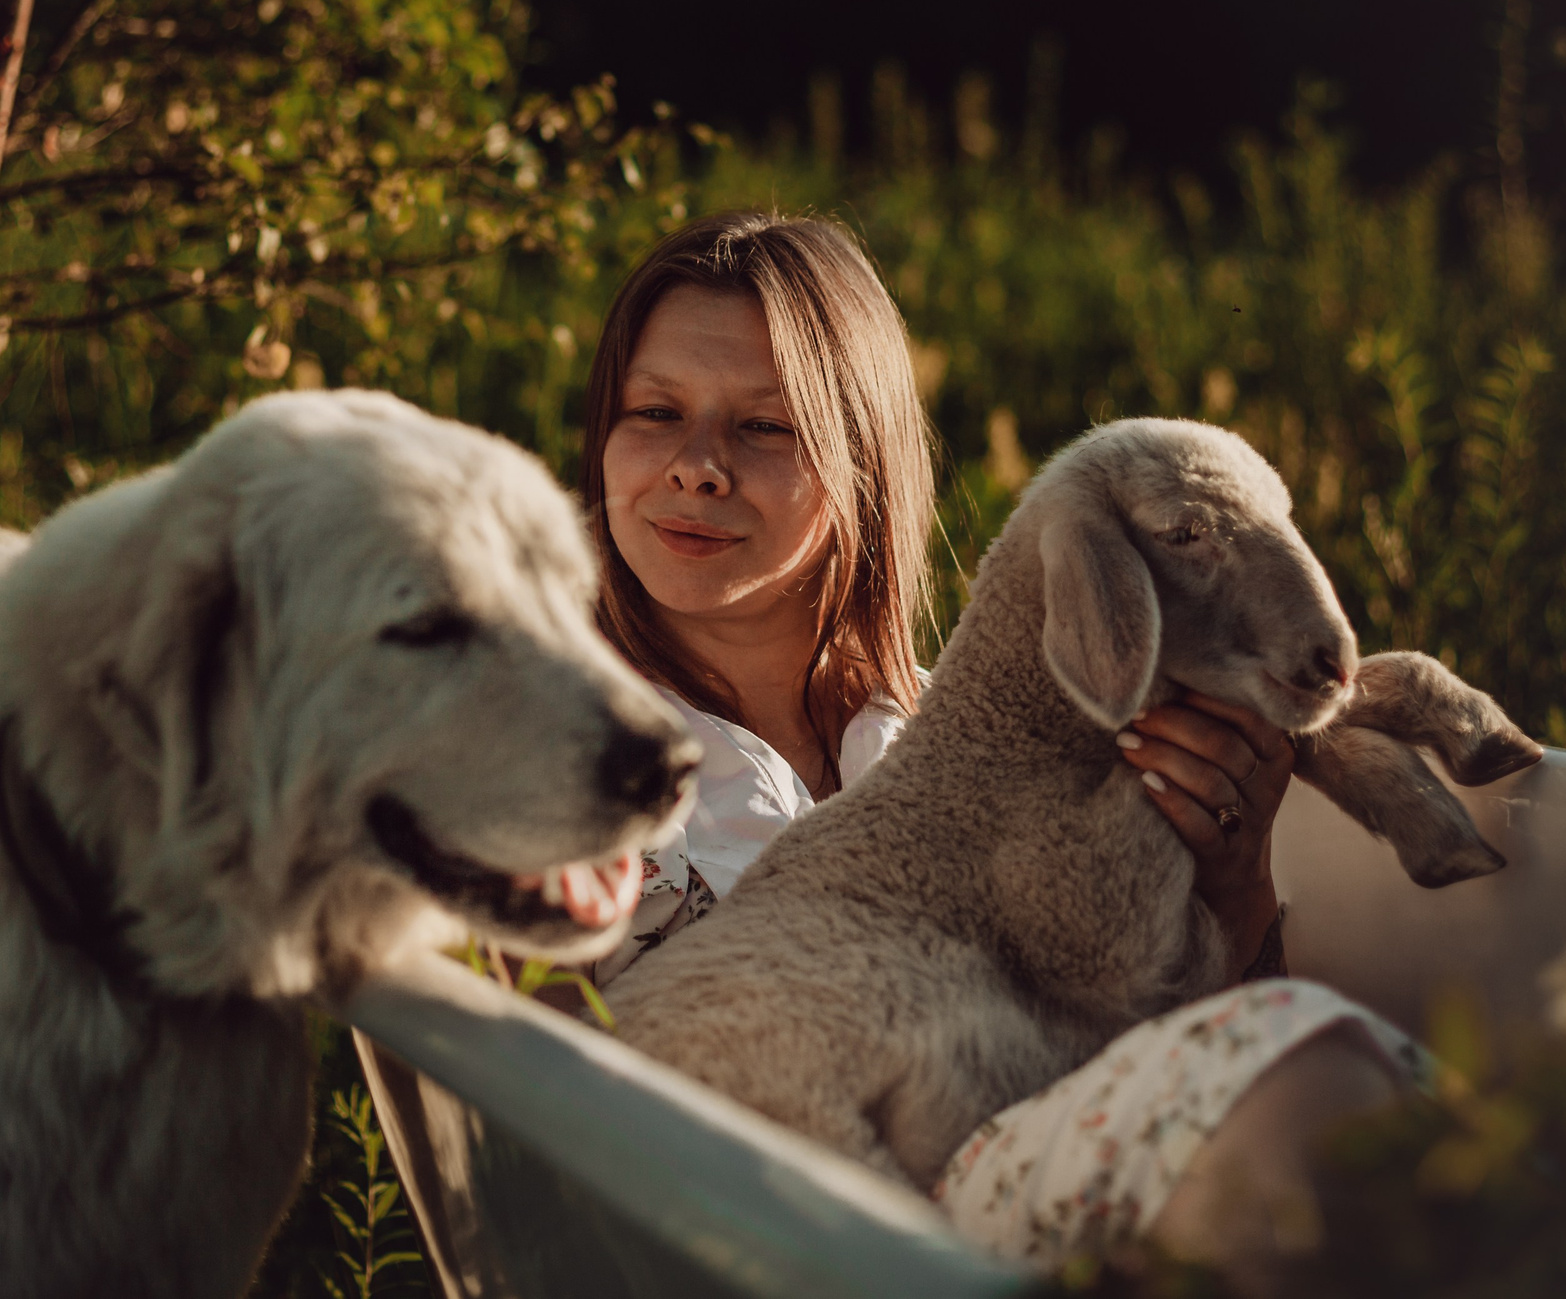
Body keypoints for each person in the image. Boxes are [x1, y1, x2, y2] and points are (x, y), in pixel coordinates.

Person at [578, 210, 1425, 1291]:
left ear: (860, 460)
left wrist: (1230, 878)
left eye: (765, 429)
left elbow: (1149, 1048)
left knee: (1320, 1084)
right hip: (770, 1243)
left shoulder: (993, 731)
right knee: (1315, 1083)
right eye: (655, 413)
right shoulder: (549, 747)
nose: (695, 467)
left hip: (1031, 1197)